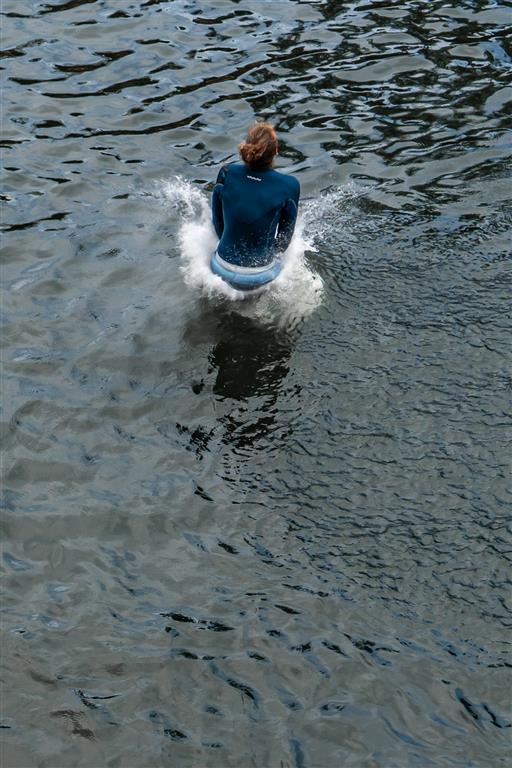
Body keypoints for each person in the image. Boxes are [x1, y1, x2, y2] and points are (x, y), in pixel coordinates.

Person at [211, 122, 300, 290]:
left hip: (221, 266)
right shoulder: (289, 185)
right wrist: (267, 253)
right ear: (275, 151)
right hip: (260, 275)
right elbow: (284, 239)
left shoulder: (226, 172)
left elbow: (217, 221)